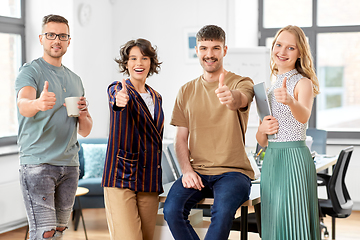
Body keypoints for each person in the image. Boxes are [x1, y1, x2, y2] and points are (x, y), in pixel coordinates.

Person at [163, 25, 255, 240]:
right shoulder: (186, 91)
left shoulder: (242, 82)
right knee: (171, 211)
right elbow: (181, 139)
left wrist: (231, 97)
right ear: (197, 50)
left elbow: (242, 98)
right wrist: (186, 171)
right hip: (198, 172)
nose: (210, 54)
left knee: (221, 214)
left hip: (234, 173)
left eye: (216, 48)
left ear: (225, 50)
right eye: (204, 48)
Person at [15, 14, 93, 239]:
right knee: (45, 232)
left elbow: (85, 130)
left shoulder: (75, 79)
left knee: (58, 231)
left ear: (69, 41)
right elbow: (23, 105)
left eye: (62, 36)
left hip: (69, 165)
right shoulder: (31, 71)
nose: (56, 40)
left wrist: (85, 114)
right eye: (51, 35)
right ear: (41, 38)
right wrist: (38, 103)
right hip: (39, 163)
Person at [256, 25, 320, 240]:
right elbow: (261, 140)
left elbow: (304, 116)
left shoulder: (303, 82)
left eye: (290, 48)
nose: (282, 52)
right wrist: (262, 129)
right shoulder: (268, 89)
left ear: (300, 52)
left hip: (294, 157)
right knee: (275, 218)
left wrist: (291, 101)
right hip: (272, 159)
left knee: (294, 216)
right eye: (278, 45)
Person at [102, 38, 164, 240]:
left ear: (151, 63)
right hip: (121, 176)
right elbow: (116, 102)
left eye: (144, 58)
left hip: (149, 179)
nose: (139, 63)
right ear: (126, 63)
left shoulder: (156, 96)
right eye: (133, 58)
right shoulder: (118, 89)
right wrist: (120, 101)